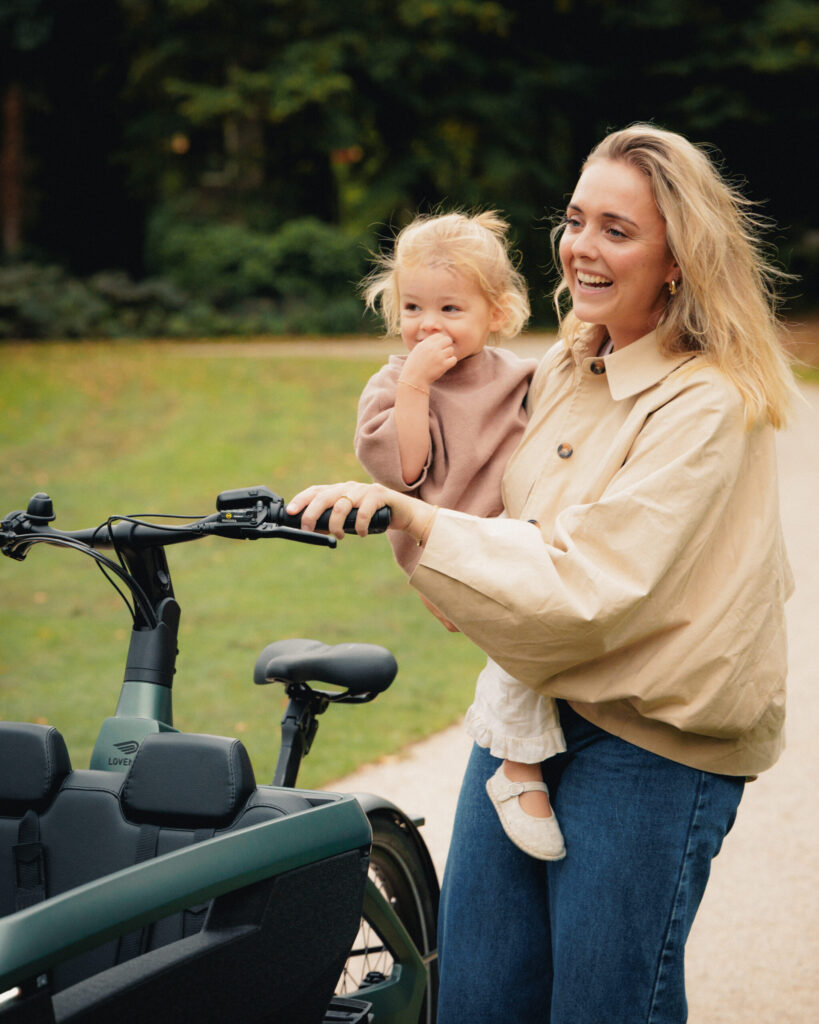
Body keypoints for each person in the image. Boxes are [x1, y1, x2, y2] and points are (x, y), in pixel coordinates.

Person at [286, 124, 796, 1022]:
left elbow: (590, 588)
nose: (580, 246)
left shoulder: (706, 401)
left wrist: (416, 521)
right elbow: (486, 483)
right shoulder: (565, 363)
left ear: (677, 258)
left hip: (650, 738)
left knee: (601, 1007)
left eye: (616, 229)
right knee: (478, 999)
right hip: (526, 706)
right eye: (573, 219)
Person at [354, 209, 566, 860]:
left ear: (496, 312)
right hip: (448, 543)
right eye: (413, 305)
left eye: (450, 307)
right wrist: (415, 384)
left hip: (515, 532)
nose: (428, 324)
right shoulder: (395, 383)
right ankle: (519, 766)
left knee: (556, 618)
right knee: (525, 623)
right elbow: (404, 468)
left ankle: (537, 750)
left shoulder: (518, 376)